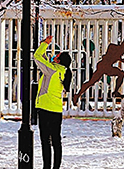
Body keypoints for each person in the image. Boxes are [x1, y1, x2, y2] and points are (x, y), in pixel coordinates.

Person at [34, 34, 72, 169]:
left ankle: (47, 167)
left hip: (45, 108)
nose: (54, 56)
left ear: (59, 60)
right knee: (56, 140)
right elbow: (44, 61)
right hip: (56, 110)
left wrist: (44, 44)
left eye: (57, 56)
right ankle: (56, 167)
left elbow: (37, 57)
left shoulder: (52, 70)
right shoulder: (63, 72)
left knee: (45, 141)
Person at [72, 37, 124, 105]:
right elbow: (110, 54)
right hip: (103, 66)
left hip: (107, 67)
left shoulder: (120, 51)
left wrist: (122, 60)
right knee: (91, 82)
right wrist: (121, 59)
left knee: (121, 74)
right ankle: (77, 95)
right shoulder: (114, 47)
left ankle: (115, 92)